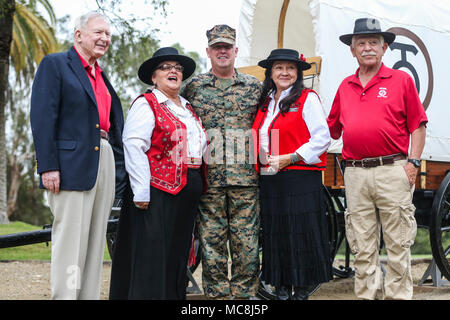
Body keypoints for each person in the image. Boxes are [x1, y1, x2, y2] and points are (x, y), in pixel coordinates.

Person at [327, 18, 428, 300]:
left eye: (374, 43)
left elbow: (418, 126)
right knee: (362, 245)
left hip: (392, 169)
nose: (368, 48)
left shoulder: (401, 81)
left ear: (384, 49)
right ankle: (367, 296)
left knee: (398, 244)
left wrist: (413, 163)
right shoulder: (345, 86)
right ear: (352, 50)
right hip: (356, 173)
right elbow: (330, 129)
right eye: (361, 43)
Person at [30, 11, 126, 300]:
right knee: (71, 241)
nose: (104, 38)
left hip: (103, 157)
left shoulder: (101, 74)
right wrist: (48, 166)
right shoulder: (56, 65)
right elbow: (43, 117)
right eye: (98, 32)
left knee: (96, 241)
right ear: (79, 35)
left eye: (108, 34)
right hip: (70, 165)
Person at [109, 47, 208, 300]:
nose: (173, 71)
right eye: (166, 67)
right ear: (154, 77)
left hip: (187, 188)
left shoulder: (187, 107)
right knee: (153, 252)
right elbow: (133, 144)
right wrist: (141, 189)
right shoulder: (147, 103)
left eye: (177, 68)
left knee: (176, 252)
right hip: (156, 190)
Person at [181, 25, 262, 299]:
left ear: (236, 50)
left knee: (246, 241)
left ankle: (243, 294)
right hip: (210, 179)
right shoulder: (193, 88)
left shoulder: (254, 87)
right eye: (217, 47)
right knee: (212, 240)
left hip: (245, 179)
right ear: (209, 52)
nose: (223, 51)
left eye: (227, 46)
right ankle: (216, 295)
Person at [251, 48, 333, 300]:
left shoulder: (307, 98)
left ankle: (301, 290)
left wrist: (291, 157)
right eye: (279, 68)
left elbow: (323, 138)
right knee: (277, 233)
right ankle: (282, 287)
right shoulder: (265, 102)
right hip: (271, 179)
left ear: (297, 73)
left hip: (299, 176)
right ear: (270, 73)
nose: (284, 72)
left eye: (290, 68)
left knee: (300, 231)